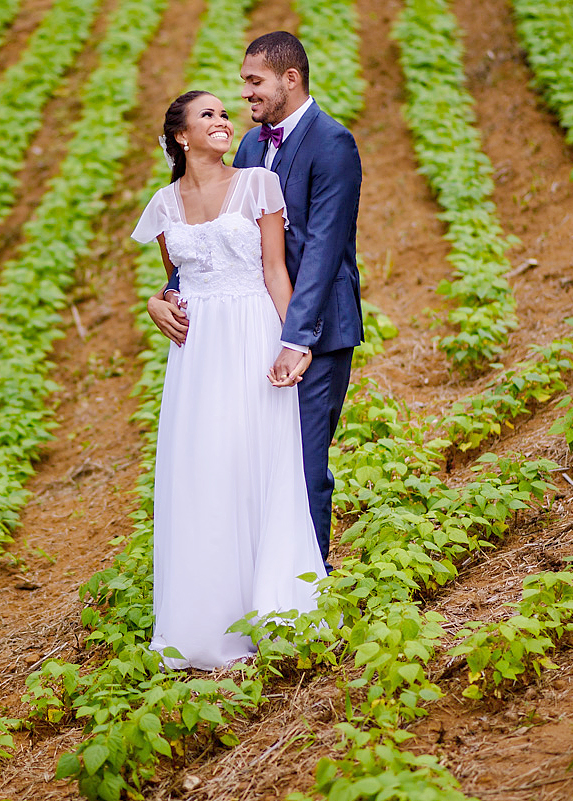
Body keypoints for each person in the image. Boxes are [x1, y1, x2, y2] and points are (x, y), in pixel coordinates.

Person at [148, 32, 363, 570]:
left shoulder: (332, 143)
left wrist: (295, 338)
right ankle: (253, 585)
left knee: (302, 463)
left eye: (254, 83)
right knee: (252, 462)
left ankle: (309, 591)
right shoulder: (248, 146)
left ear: (290, 79)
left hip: (314, 330)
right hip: (250, 331)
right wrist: (166, 296)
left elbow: (320, 251)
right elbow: (211, 247)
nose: (246, 96)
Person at [132, 90, 326, 670]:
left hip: (255, 334)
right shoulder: (164, 205)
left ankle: (276, 609)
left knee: (260, 462)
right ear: (181, 137)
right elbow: (176, 282)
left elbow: (274, 269)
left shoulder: (259, 184)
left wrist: (295, 342)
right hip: (198, 354)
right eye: (208, 116)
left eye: (224, 113)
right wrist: (154, 302)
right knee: (206, 469)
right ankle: (208, 620)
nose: (222, 122)